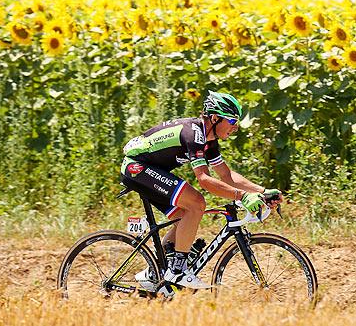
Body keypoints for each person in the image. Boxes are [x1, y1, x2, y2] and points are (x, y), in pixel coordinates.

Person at [120, 91, 282, 289]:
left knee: (185, 215)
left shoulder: (209, 141)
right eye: (232, 120)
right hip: (137, 167)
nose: (235, 127)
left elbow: (226, 175)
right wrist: (242, 196)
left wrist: (262, 191)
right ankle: (177, 269)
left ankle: (156, 272)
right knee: (197, 203)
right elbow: (204, 179)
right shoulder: (194, 134)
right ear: (215, 118)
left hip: (150, 170)